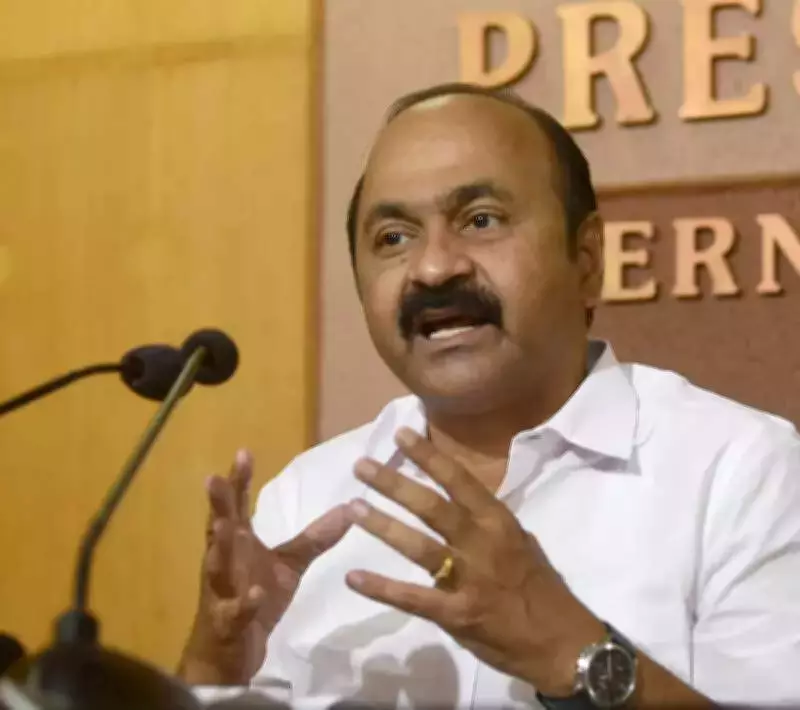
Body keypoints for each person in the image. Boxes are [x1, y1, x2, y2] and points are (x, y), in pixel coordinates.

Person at [177, 83, 800, 709]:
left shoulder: (739, 470)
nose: (433, 268)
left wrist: (573, 654)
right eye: (393, 237)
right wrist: (215, 663)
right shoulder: (306, 498)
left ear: (586, 260)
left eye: (480, 221)